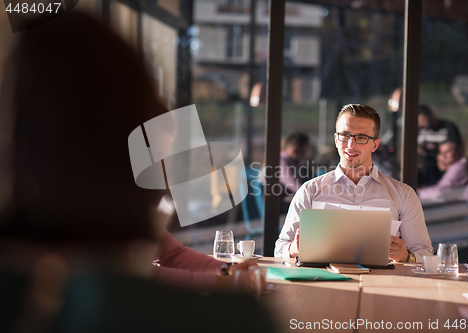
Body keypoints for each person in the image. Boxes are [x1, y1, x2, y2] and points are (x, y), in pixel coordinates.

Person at [0, 12, 276, 333]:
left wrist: (227, 269)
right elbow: (151, 279)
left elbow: (172, 255)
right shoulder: (230, 320)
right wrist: (228, 283)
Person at [275, 104, 433, 263]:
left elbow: (425, 254)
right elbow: (280, 248)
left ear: (375, 145)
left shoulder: (403, 194)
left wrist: (407, 256)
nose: (351, 145)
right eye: (345, 135)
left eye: (362, 137)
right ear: (336, 139)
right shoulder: (309, 191)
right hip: (324, 283)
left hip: (383, 285)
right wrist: (293, 249)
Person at [418, 105, 463, 186]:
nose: (421, 124)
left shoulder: (448, 127)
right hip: (426, 169)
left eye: (423, 120)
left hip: (445, 169)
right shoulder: (419, 130)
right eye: (419, 122)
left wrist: (437, 148)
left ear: (430, 116)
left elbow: (458, 147)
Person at [278, 133, 310, 212]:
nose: (305, 155)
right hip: (277, 212)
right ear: (294, 150)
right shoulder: (281, 162)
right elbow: (298, 188)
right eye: (304, 151)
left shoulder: (286, 160)